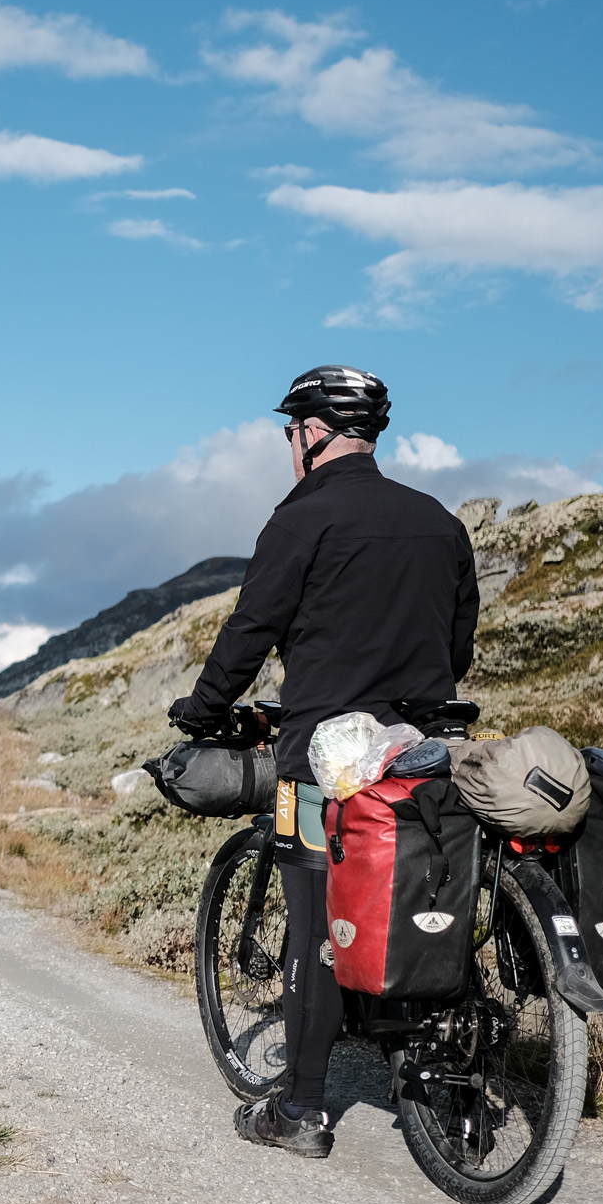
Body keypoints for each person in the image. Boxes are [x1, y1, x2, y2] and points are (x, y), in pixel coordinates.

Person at [168, 365, 479, 1158]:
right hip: (421, 748)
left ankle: (302, 1112)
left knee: (314, 923)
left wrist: (202, 714)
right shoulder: (438, 521)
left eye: (289, 432)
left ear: (311, 433)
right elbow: (458, 649)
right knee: (426, 886)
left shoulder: (301, 519)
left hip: (324, 759)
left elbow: (250, 629)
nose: (288, 446)